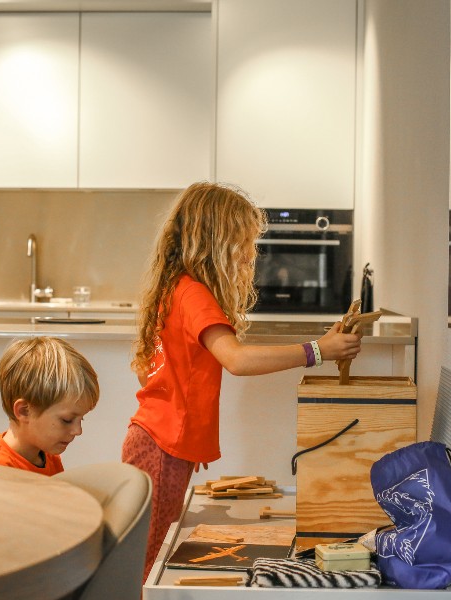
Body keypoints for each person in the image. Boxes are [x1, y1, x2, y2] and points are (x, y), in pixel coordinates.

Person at [121, 181, 363, 579]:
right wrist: (317, 350)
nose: (251, 253)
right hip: (161, 446)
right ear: (217, 240)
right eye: (244, 241)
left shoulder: (179, 287)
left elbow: (181, 374)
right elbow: (236, 360)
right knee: (151, 566)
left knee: (151, 556)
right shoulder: (194, 293)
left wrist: (189, 441)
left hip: (160, 441)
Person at [0, 337, 99, 476]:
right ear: (24, 411)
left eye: (81, 419)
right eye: (67, 420)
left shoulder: (48, 455)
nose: (78, 431)